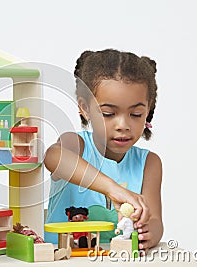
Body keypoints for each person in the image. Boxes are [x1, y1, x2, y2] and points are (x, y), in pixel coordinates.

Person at [44, 49, 163, 253]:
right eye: (108, 114)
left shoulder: (149, 163)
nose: (123, 125)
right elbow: (54, 157)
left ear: (148, 109)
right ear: (85, 108)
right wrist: (113, 189)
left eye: (136, 114)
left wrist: (148, 231)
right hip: (63, 258)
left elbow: (156, 222)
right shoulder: (76, 144)